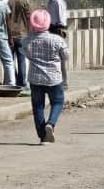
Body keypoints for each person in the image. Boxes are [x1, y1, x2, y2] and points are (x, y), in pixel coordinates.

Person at [22, 9, 70, 144]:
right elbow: (65, 56)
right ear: (48, 23)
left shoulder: (27, 41)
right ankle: (51, 123)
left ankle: (43, 136)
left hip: (35, 78)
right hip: (53, 78)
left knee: (38, 106)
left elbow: (27, 55)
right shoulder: (57, 40)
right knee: (58, 102)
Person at [6, 0, 32, 87]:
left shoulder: (7, 2)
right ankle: (23, 83)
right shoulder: (25, 1)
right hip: (23, 35)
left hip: (10, 35)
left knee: (10, 61)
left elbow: (6, 20)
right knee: (22, 60)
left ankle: (14, 81)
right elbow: (29, 17)